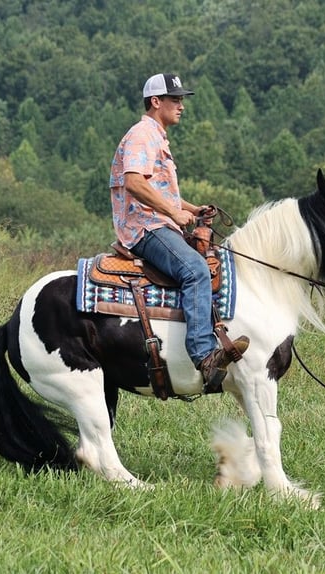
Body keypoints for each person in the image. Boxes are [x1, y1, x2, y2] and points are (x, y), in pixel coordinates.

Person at [109, 73, 249, 389]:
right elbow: (134, 182)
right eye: (175, 99)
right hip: (145, 227)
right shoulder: (142, 135)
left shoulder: (157, 136)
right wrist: (173, 212)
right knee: (197, 270)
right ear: (155, 102)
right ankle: (204, 355)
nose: (181, 105)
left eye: (182, 99)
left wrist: (190, 208)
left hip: (160, 221)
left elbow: (162, 191)